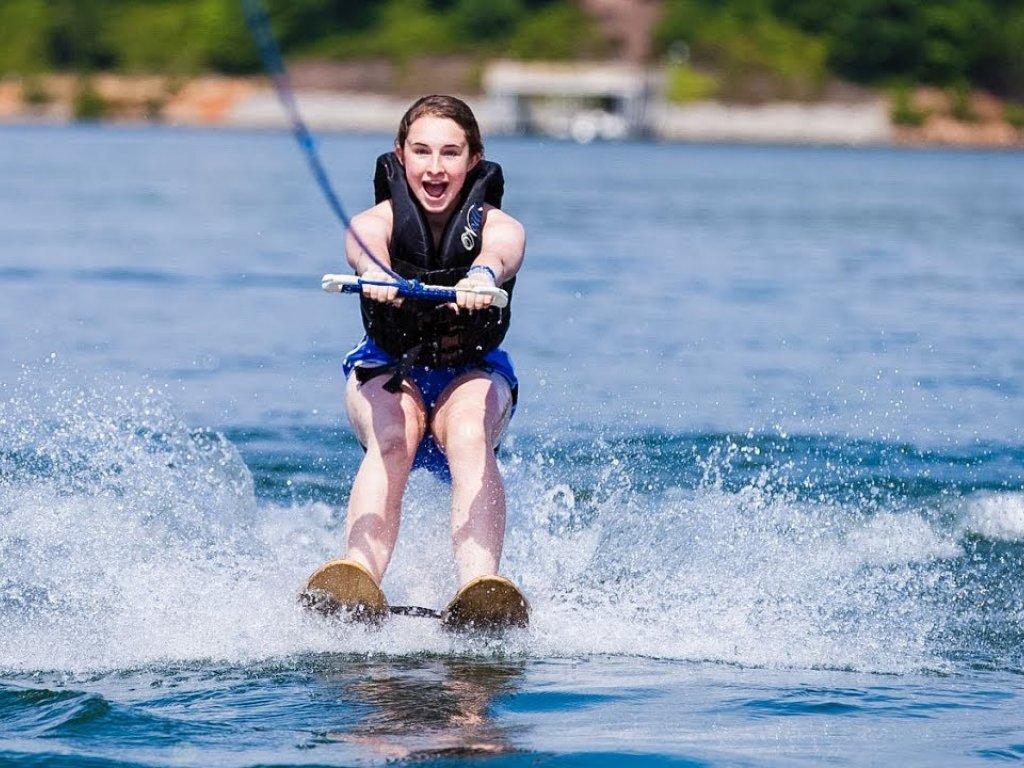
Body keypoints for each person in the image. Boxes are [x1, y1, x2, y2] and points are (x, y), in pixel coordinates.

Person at [313, 95, 526, 609]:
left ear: (473, 160)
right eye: (422, 151)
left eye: (450, 153)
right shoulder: (376, 221)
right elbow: (362, 243)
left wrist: (482, 274)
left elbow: (501, 251)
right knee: (395, 432)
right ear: (400, 155)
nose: (435, 168)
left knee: (470, 431)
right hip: (388, 371)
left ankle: (480, 587)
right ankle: (357, 578)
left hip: (471, 374)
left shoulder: (501, 226)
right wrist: (375, 273)